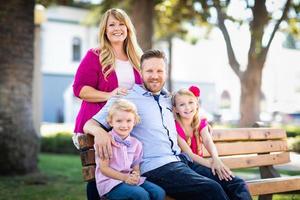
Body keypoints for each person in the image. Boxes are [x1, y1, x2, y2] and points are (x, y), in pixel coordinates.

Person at [84, 50, 252, 200]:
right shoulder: (125, 98)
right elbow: (90, 124)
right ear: (141, 72)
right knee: (210, 189)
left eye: (159, 71)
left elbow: (189, 110)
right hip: (155, 167)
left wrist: (202, 125)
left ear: (166, 73)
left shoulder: (168, 99)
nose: (154, 75)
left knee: (235, 183)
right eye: (149, 71)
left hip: (183, 160)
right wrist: (99, 133)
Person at [72, 8, 143, 199]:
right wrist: (109, 94)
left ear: (128, 28)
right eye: (112, 24)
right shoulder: (95, 55)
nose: (117, 28)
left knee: (121, 173)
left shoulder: (137, 58)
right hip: (95, 124)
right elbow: (80, 89)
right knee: (98, 174)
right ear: (105, 30)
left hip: (123, 126)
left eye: (121, 24)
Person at [95, 98, 165, 200]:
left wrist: (135, 175)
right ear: (110, 122)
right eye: (119, 121)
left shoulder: (136, 144)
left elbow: (135, 167)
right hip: (110, 183)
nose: (124, 125)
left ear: (134, 121)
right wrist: (125, 178)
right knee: (141, 195)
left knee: (159, 192)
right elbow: (104, 168)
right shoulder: (106, 141)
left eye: (129, 121)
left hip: (128, 179)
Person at [172, 86, 233, 181]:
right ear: (175, 109)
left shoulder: (201, 123)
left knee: (236, 183)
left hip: (202, 165)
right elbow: (189, 155)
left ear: (196, 104)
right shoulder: (175, 128)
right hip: (188, 167)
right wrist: (214, 165)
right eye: (182, 104)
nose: (187, 107)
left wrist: (216, 159)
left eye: (191, 102)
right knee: (223, 182)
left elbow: (207, 140)